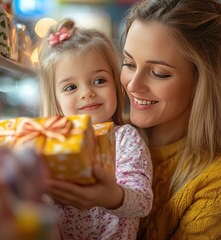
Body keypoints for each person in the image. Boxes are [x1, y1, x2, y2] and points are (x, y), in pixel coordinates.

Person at [119, 0, 221, 239]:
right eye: (128, 63)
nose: (133, 85)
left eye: (159, 73)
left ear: (202, 80)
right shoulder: (110, 135)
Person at [37, 19, 153, 240]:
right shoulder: (51, 144)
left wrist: (111, 196)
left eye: (99, 80)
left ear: (116, 84)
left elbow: (142, 202)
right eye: (71, 87)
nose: (86, 93)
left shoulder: (125, 139)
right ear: (55, 99)